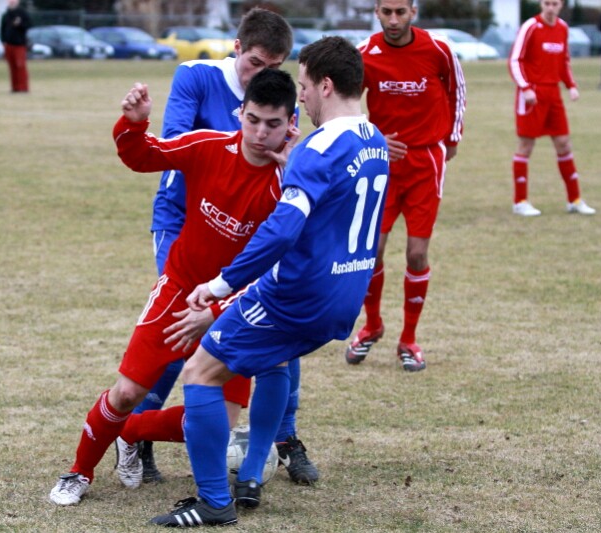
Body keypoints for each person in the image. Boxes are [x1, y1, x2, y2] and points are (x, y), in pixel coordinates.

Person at [149, 36, 389, 527]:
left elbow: (281, 230)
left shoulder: (317, 148)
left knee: (200, 372)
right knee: (275, 361)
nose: (302, 97)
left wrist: (220, 285)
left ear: (325, 85)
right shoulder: (376, 140)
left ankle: (214, 502)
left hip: (298, 294)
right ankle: (253, 472)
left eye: (304, 86)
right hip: (346, 294)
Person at [48, 68, 300, 507]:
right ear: (240, 112)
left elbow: (281, 268)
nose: (261, 133)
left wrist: (217, 310)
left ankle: (131, 432)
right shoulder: (208, 145)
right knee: (127, 393)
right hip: (179, 291)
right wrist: (134, 124)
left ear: (291, 124)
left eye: (273, 124)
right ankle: (79, 471)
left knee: (221, 422)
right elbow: (143, 156)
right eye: (253, 119)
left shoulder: (292, 186)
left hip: (232, 309)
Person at [136, 6, 320, 487]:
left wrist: (284, 159)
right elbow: (174, 143)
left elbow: (287, 172)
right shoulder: (197, 76)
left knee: (277, 329)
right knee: (182, 326)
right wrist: (243, 138)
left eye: (273, 66)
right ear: (237, 48)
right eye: (255, 63)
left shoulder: (278, 100)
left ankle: (285, 437)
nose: (263, 74)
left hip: (249, 231)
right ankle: (137, 433)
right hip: (184, 220)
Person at [345, 0, 466, 372]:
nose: (393, 19)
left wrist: (452, 137)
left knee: (416, 254)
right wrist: (373, 138)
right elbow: (345, 105)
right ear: (377, 12)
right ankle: (372, 325)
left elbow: (456, 89)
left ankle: (409, 339)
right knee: (372, 251)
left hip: (425, 161)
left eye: (400, 11)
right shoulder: (365, 54)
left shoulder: (438, 49)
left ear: (413, 11)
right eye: (387, 12)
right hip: (381, 163)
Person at [508, 0, 595, 217]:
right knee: (526, 145)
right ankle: (520, 202)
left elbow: (564, 60)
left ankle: (574, 200)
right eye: (546, 3)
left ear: (561, 5)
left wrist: (571, 85)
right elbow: (515, 60)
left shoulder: (563, 28)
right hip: (532, 95)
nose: (550, 7)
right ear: (541, 4)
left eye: (554, 4)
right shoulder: (530, 26)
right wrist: (526, 88)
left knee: (563, 142)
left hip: (553, 94)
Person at [0, 0, 31, 93]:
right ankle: (15, 88)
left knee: (20, 66)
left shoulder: (22, 13)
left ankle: (23, 87)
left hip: (19, 45)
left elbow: (29, 25)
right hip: (9, 45)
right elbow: (2, 29)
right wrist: (3, 41)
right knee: (12, 67)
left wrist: (20, 24)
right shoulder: (5, 15)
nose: (12, 2)